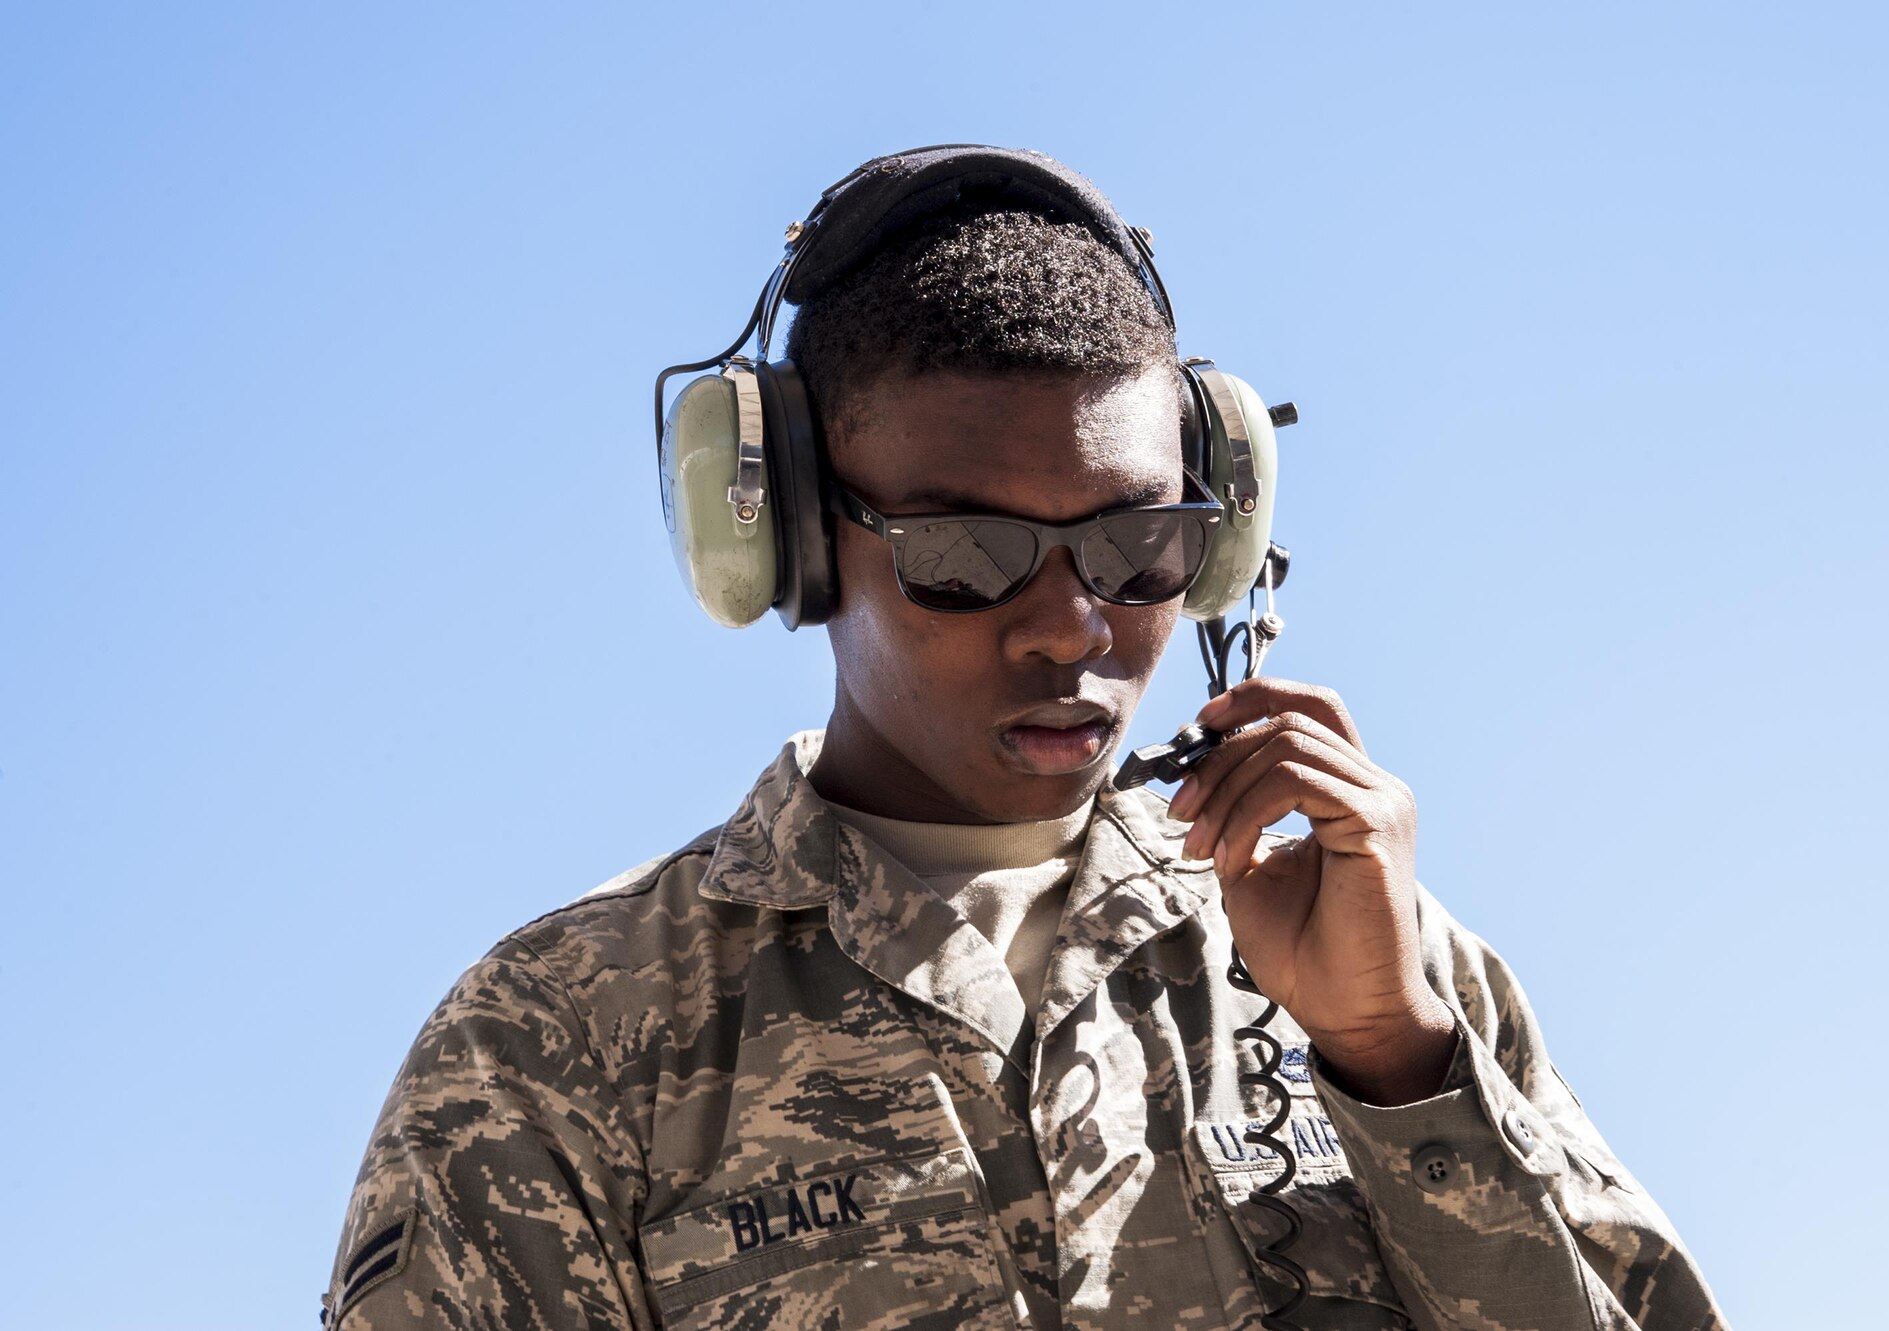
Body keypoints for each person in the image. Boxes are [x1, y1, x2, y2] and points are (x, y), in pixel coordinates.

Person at [322, 146, 1730, 1331]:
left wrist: (1395, 1059)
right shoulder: (560, 1037)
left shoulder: (1390, 970)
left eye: (1138, 544)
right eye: (964, 552)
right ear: (795, 544)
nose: (1071, 626)